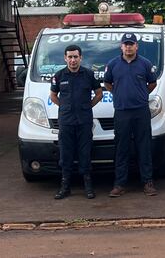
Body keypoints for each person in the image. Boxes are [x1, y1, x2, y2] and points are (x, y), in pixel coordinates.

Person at [103, 32, 158, 198]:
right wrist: (119, 94)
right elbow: (108, 83)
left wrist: (141, 94)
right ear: (121, 46)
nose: (128, 47)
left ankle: (147, 182)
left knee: (144, 147)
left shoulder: (145, 63)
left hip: (141, 111)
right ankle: (119, 184)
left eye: (131, 44)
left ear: (136, 46)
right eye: (126, 44)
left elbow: (152, 83)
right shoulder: (113, 64)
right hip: (122, 111)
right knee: (122, 148)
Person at [49, 44, 103, 200]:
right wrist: (64, 107)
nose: (73, 60)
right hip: (66, 121)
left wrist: (87, 107)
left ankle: (88, 186)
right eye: (70, 57)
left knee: (85, 153)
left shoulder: (89, 75)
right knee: (66, 154)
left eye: (75, 57)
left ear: (81, 58)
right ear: (65, 58)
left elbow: (99, 94)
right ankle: (65, 187)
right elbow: (53, 96)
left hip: (84, 121)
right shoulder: (59, 76)